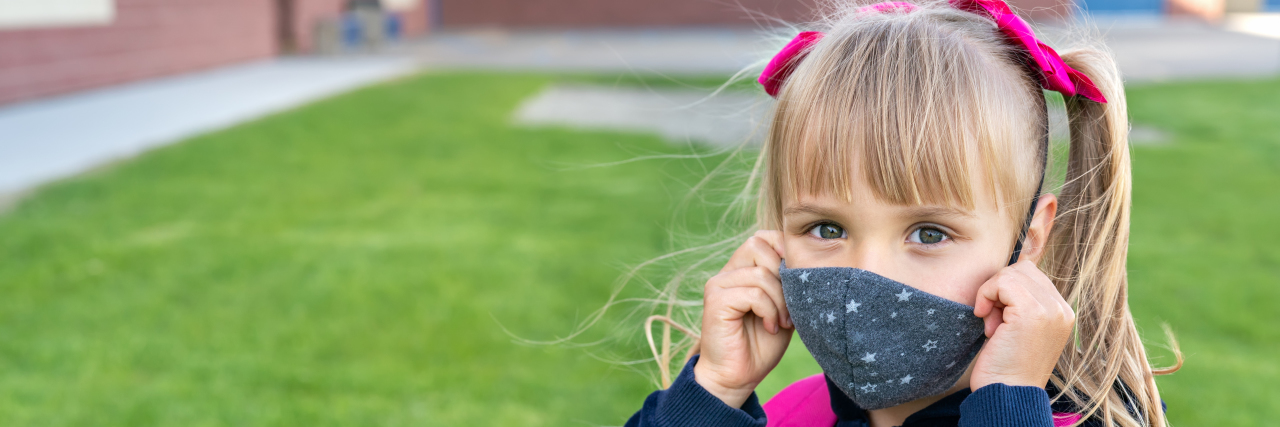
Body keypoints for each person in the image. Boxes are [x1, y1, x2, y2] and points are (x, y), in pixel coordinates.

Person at [622, 0, 1181, 426]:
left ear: (1027, 239)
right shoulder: (795, 412)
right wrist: (714, 391)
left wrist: (1007, 401)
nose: (869, 273)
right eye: (827, 228)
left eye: (929, 232)